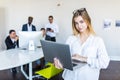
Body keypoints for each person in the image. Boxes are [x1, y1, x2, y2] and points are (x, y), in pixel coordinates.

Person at [54, 8, 110, 80]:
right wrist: (60, 63)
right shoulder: (71, 39)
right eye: (76, 23)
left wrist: (84, 59)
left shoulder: (97, 40)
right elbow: (65, 58)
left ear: (87, 21)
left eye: (81, 22)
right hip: (70, 77)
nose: (79, 26)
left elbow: (104, 63)